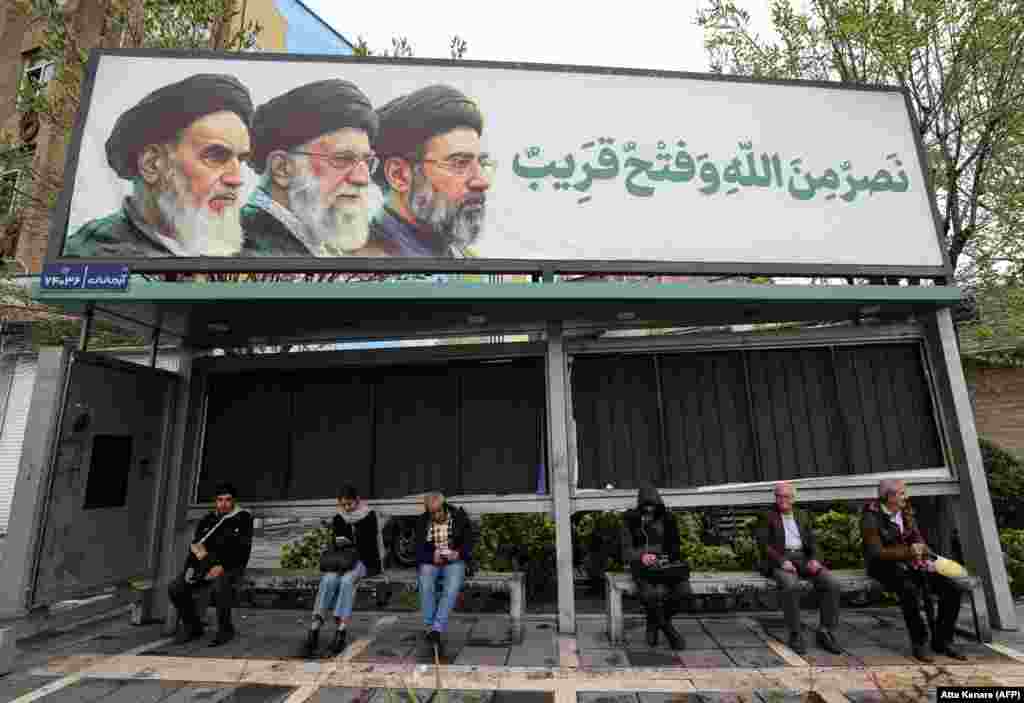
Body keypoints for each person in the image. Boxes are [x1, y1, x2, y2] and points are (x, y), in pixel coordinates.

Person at [64, 73, 253, 258]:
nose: (236, 179)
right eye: (216, 156)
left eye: (241, 160)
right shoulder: (89, 257)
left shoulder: (227, 249)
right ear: (152, 164)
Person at [242, 79, 378, 257]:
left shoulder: (318, 241)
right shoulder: (248, 249)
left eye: (367, 161)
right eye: (342, 159)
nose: (362, 178)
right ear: (282, 168)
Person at [361, 84, 493, 258]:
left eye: (482, 163)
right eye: (460, 163)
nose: (482, 181)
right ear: (398, 175)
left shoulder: (464, 258)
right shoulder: (361, 264)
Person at [861, 479, 967, 662]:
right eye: (902, 493)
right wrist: (909, 552)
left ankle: (943, 641)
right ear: (889, 496)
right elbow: (876, 552)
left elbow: (919, 540)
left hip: (912, 563)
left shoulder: (906, 511)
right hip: (883, 567)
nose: (906, 497)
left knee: (952, 589)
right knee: (908, 590)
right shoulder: (870, 517)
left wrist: (924, 553)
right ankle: (920, 642)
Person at [754, 481, 842, 655]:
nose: (781, 500)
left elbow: (813, 542)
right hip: (781, 558)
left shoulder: (802, 515)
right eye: (778, 496)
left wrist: (815, 559)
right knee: (790, 585)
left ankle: (826, 631)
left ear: (793, 498)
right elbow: (764, 545)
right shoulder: (766, 516)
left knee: (832, 583)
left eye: (785, 496)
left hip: (803, 557)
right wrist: (781, 561)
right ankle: (795, 633)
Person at [303, 484, 384, 657]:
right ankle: (315, 627)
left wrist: (353, 540)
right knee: (328, 580)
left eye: (350, 504)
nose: (347, 508)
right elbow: (336, 543)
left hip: (363, 561)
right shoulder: (339, 518)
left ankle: (341, 629)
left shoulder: (369, 516)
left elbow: (369, 546)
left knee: (347, 581)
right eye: (343, 505)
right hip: (341, 561)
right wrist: (341, 542)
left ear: (357, 501)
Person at [168, 482, 253, 647]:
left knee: (221, 584)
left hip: (230, 566)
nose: (223, 504)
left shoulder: (243, 518)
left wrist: (222, 567)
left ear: (233, 501)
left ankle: (225, 629)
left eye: (228, 500)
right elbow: (196, 547)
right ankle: (193, 626)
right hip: (204, 565)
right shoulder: (207, 519)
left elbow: (243, 550)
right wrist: (189, 569)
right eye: (220, 500)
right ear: (215, 501)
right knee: (176, 587)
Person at [620, 483, 690, 650]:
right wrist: (643, 556)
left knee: (684, 592)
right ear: (640, 506)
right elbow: (625, 552)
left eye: (653, 506)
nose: (649, 510)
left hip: (667, 568)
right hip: (642, 569)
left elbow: (675, 548)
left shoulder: (668, 519)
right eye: (646, 506)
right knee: (649, 595)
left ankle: (654, 622)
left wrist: (663, 557)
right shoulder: (630, 520)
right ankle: (668, 630)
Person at [415, 492, 474, 656]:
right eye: (431, 513)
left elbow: (469, 542)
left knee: (452, 587)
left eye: (437, 512)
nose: (435, 515)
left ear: (444, 506)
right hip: (432, 560)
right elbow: (418, 550)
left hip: (454, 560)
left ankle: (437, 628)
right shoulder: (422, 521)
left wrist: (458, 554)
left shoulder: (459, 517)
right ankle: (430, 627)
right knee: (425, 583)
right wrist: (431, 555)